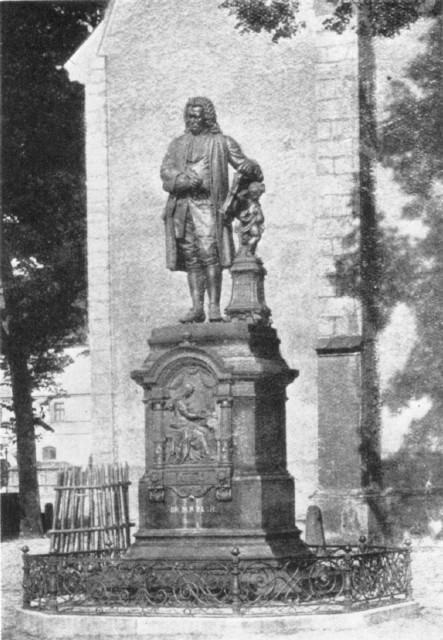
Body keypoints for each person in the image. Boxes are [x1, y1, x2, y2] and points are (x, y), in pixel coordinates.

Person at [160, 97, 262, 322]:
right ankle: (197, 307)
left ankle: (213, 306)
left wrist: (251, 166)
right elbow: (166, 172)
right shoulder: (177, 144)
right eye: (189, 116)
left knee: (209, 256)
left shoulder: (222, 142)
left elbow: (246, 165)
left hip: (208, 206)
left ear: (207, 117)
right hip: (183, 208)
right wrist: (183, 179)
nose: (192, 120)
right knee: (191, 258)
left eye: (197, 116)